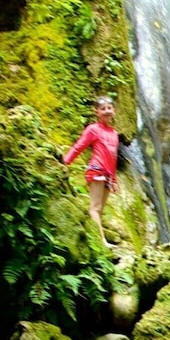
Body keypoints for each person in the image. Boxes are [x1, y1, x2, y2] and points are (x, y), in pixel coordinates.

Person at [62, 96, 120, 246]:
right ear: (97, 112)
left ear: (113, 110)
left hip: (108, 174)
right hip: (97, 169)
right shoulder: (93, 129)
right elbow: (78, 146)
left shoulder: (114, 133)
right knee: (95, 207)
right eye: (103, 109)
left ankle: (98, 239)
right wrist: (65, 162)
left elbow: (113, 158)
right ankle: (101, 242)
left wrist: (114, 180)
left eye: (109, 108)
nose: (107, 111)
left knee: (100, 209)